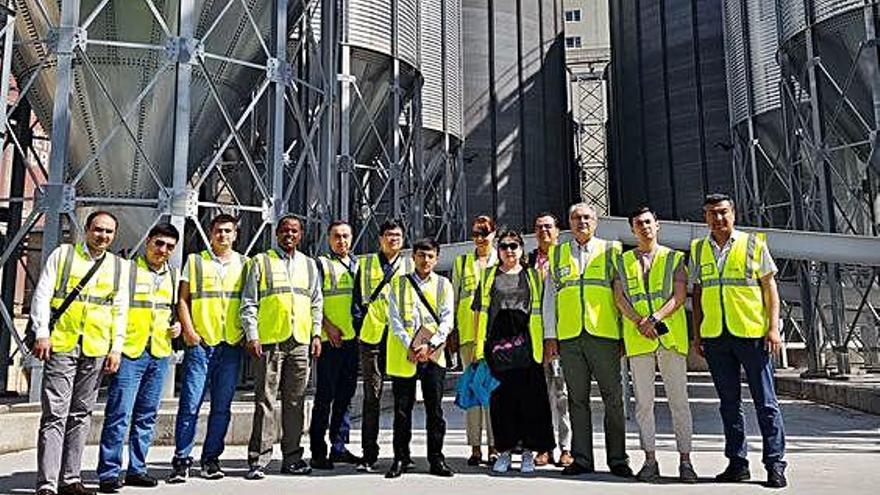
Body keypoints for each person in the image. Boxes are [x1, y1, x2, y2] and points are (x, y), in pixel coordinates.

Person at [691, 193, 787, 488]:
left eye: (722, 212)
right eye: (711, 213)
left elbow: (770, 289)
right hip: (717, 337)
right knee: (728, 404)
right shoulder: (697, 249)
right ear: (705, 217)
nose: (717, 218)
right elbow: (698, 295)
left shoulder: (754, 244)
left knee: (766, 403)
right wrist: (698, 334)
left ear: (733, 213)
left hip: (752, 335)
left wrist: (773, 329)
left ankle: (775, 463)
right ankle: (737, 462)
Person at [31, 211, 128, 495]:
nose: (104, 236)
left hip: (96, 346)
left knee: (81, 414)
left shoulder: (119, 267)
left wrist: (116, 347)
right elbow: (42, 293)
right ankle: (47, 484)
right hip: (62, 343)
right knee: (55, 414)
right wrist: (41, 333)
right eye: (99, 230)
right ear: (87, 230)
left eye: (109, 232)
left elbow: (120, 309)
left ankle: (71, 480)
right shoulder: (63, 255)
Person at [542, 203, 632, 477]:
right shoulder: (557, 254)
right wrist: (550, 336)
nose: (581, 222)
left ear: (596, 222)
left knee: (613, 399)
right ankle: (582, 458)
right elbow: (550, 298)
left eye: (586, 218)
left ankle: (617, 458)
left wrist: (624, 334)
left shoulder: (612, 250)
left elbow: (623, 294)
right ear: (569, 223)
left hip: (603, 335)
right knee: (576, 399)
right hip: (570, 337)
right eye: (576, 218)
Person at [612, 207, 696, 483]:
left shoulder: (673, 257)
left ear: (657, 225)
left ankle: (686, 461)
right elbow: (619, 297)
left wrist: (654, 318)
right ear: (632, 229)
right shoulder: (623, 261)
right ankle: (650, 460)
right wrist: (639, 321)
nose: (645, 227)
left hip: (669, 337)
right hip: (639, 339)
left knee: (679, 402)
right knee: (644, 404)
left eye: (649, 222)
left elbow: (679, 294)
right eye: (639, 224)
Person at [97, 223, 181, 493]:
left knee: (147, 414)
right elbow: (115, 309)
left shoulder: (173, 275)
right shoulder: (129, 270)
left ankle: (137, 468)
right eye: (159, 244)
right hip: (131, 351)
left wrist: (177, 326)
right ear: (148, 242)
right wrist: (115, 348)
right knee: (119, 412)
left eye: (169, 246)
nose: (163, 250)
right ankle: (109, 472)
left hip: (158, 351)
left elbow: (172, 310)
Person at [241, 214, 323, 479]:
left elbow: (315, 302)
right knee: (265, 400)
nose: (290, 235)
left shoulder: (309, 265)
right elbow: (249, 302)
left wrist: (316, 334)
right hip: (270, 340)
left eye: (295, 231)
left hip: (299, 340)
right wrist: (252, 335)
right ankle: (259, 459)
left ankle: (292, 457)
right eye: (285, 230)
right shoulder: (261, 262)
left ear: (301, 235)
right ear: (277, 233)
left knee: (296, 401)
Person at [168, 214, 247, 482]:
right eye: (218, 231)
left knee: (222, 407)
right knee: (190, 404)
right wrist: (189, 332)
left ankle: (211, 458)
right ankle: (181, 458)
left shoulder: (244, 264)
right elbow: (182, 299)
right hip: (202, 343)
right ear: (210, 234)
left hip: (231, 343)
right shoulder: (196, 261)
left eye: (228, 231)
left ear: (235, 235)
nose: (223, 236)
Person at [473, 229, 554, 474]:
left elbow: (544, 308)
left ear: (521, 249)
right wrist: (479, 349)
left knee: (531, 402)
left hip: (528, 347)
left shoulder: (532, 276)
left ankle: (529, 452)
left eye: (514, 246)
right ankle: (504, 451)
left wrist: (547, 343)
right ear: (498, 250)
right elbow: (480, 312)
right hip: (498, 348)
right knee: (501, 402)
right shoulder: (489, 276)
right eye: (505, 246)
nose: (510, 251)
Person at [384, 237, 455, 479]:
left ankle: (436, 459)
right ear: (413, 257)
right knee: (402, 410)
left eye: (430, 256)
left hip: (433, 355)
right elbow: (394, 320)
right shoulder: (398, 284)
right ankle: (400, 458)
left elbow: (447, 320)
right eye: (421, 255)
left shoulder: (444, 284)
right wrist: (411, 346)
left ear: (436, 259)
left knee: (434, 410)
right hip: (406, 355)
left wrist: (430, 345)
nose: (425, 260)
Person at [354, 219, 413, 472]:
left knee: (404, 397)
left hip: (400, 338)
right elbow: (356, 299)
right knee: (372, 397)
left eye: (398, 235)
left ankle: (403, 453)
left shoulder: (409, 264)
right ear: (380, 238)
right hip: (372, 337)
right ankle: (369, 454)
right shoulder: (366, 264)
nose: (393, 239)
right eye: (389, 235)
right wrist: (359, 326)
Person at [308, 221, 362, 469]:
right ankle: (318, 450)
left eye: (346, 236)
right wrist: (325, 328)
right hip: (331, 340)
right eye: (337, 236)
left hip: (352, 340)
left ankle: (339, 447)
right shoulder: (321, 264)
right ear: (329, 239)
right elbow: (313, 299)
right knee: (324, 396)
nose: (342, 241)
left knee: (345, 396)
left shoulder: (358, 264)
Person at [452, 215, 498, 466]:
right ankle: (475, 446)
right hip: (468, 335)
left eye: (485, 233)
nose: (480, 238)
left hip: (492, 336)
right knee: (472, 388)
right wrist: (454, 333)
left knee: (490, 390)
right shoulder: (462, 262)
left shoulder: (500, 260)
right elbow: (456, 298)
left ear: (494, 234)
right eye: (476, 233)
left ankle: (494, 444)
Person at [527, 212, 572, 467]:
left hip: (564, 334)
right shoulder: (529, 260)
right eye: (539, 227)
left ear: (557, 230)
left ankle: (566, 447)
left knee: (563, 393)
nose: (544, 231)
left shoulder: (566, 256)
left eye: (548, 227)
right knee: (540, 396)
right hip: (535, 337)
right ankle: (544, 447)